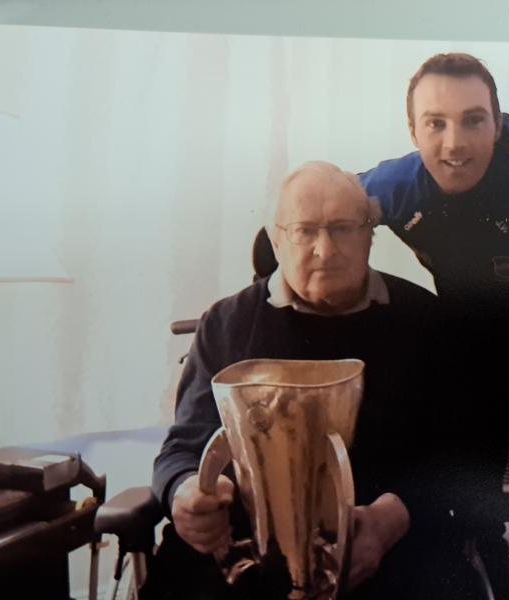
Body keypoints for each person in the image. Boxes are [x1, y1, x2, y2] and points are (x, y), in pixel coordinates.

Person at [146, 161, 472, 599]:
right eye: (305, 231)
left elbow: (463, 456)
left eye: (343, 228)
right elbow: (182, 447)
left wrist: (394, 517)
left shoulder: (425, 320)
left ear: (370, 235)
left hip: (390, 544)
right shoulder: (226, 323)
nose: (326, 249)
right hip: (245, 554)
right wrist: (183, 490)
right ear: (277, 239)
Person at [359, 53, 509, 600]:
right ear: (413, 130)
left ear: (497, 124)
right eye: (436, 123)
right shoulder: (400, 185)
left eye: (474, 120)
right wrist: (270, 270)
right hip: (471, 372)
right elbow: (325, 206)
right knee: (463, 525)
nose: (454, 143)